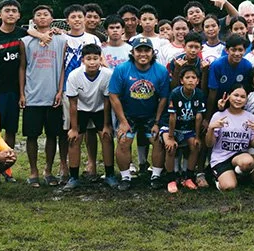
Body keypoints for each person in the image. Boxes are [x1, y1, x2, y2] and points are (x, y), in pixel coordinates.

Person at [108, 37, 170, 190]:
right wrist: (122, 121)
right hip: (128, 113)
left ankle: (156, 174)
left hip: (151, 113)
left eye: (146, 50)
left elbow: (163, 97)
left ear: (152, 52)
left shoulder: (161, 70)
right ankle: (125, 177)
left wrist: (157, 122)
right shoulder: (122, 69)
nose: (143, 54)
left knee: (158, 140)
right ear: (132, 52)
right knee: (123, 141)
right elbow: (113, 95)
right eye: (139, 50)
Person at [19, 5, 67, 188]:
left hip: (53, 95)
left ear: (52, 18)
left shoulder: (61, 40)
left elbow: (62, 67)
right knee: (31, 135)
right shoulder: (25, 41)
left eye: (45, 15)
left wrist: (60, 90)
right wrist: (22, 93)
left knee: (52, 135)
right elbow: (22, 67)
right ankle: (33, 171)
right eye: (38, 14)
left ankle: (48, 170)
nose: (42, 17)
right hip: (32, 95)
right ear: (33, 19)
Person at [63, 44, 114, 190]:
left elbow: (107, 101)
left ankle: (109, 174)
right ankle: (73, 177)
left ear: (100, 59)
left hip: (100, 109)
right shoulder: (74, 75)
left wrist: (106, 125)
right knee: (74, 139)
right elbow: (73, 103)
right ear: (82, 60)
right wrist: (73, 128)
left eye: (95, 58)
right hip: (81, 109)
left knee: (106, 137)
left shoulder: (107, 74)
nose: (92, 62)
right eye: (89, 59)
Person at [0, 0, 28, 154]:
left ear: (19, 15)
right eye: (7, 10)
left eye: (14, 11)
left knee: (11, 130)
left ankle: (6, 166)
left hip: (15, 91)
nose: (10, 13)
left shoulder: (23, 34)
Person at [205, 84, 254, 191]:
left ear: (246, 100)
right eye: (236, 95)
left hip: (239, 156)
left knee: (248, 163)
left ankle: (237, 173)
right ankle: (216, 177)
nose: (238, 99)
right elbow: (209, 144)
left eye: (242, 97)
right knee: (229, 187)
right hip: (221, 158)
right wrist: (211, 129)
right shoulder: (219, 115)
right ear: (229, 96)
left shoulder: (250, 117)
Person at [162, 66, 207, 192]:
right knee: (170, 147)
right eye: (187, 77)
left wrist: (197, 137)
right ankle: (171, 179)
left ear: (198, 81)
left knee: (195, 146)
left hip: (187, 128)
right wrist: (171, 137)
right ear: (182, 80)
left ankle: (188, 177)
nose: (191, 80)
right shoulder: (176, 93)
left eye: (194, 78)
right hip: (171, 127)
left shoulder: (199, 94)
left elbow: (198, 117)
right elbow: (172, 116)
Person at [206, 34, 253, 122]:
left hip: (237, 104)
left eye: (240, 50)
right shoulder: (217, 65)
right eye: (233, 50)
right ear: (227, 50)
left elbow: (247, 91)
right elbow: (212, 92)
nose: (237, 54)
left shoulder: (247, 66)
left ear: (245, 51)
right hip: (218, 103)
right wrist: (208, 117)